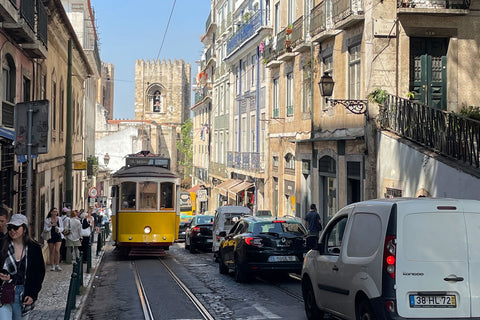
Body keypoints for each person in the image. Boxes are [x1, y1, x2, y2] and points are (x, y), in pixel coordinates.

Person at [0, 214, 45, 319]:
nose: (12, 230)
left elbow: (39, 273)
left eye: (16, 227)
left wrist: (33, 294)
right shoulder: (2, 245)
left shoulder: (34, 248)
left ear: (24, 229)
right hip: (3, 291)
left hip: (23, 292)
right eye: (10, 227)